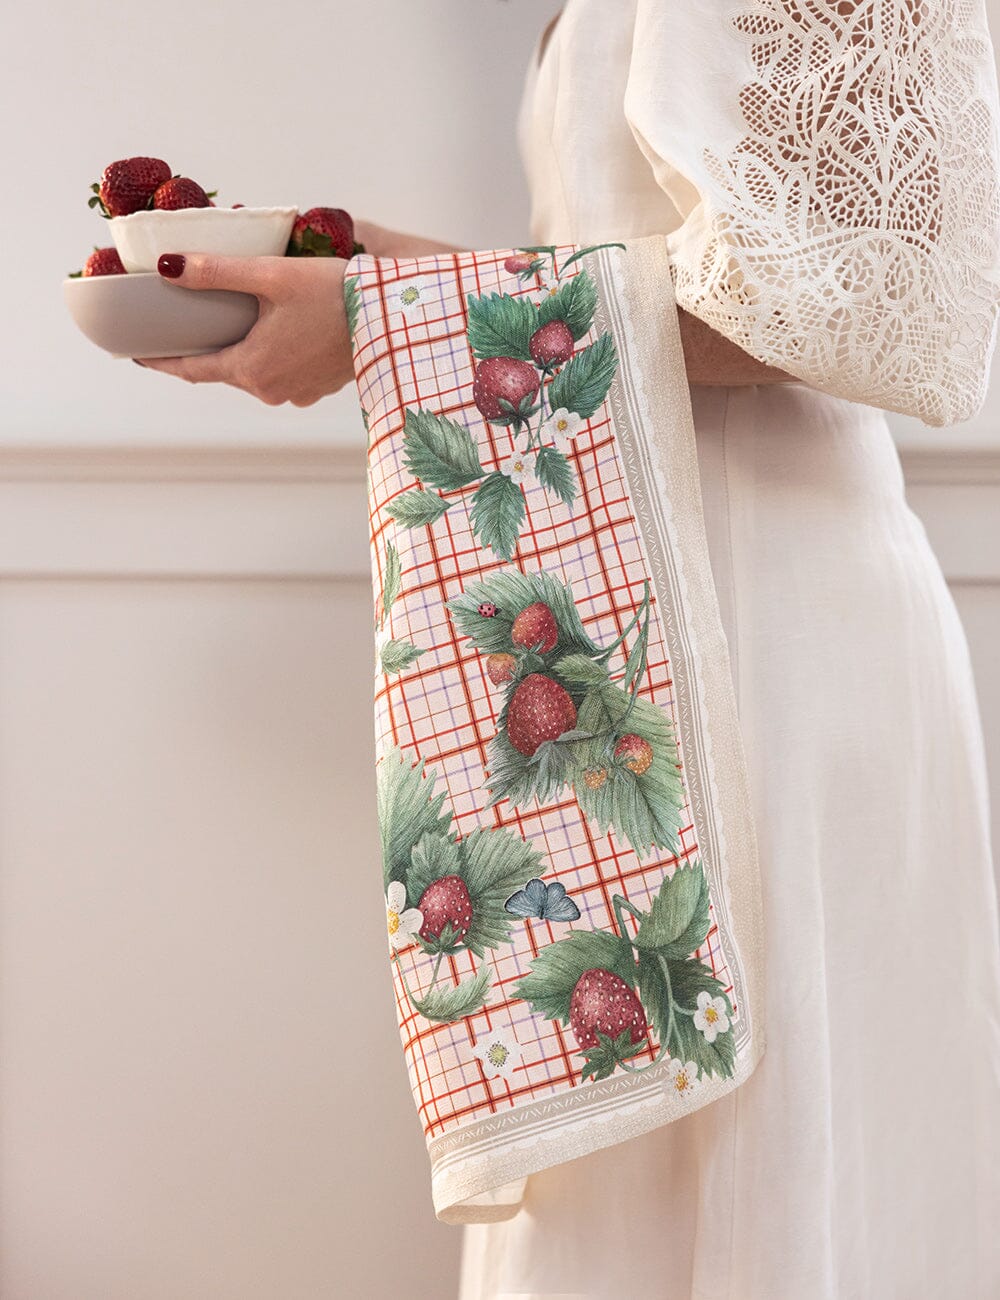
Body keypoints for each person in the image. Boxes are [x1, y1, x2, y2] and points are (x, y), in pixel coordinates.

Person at [138, 1, 1000, 1295]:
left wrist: (382, 317)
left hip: (769, 641)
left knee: (758, 1204)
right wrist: (372, 275)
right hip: (634, 603)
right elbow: (645, 273)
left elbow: (862, 298)